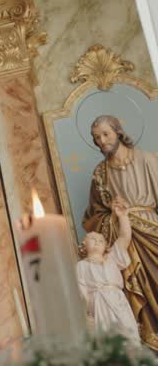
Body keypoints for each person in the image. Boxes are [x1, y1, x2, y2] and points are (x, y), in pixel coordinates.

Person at [82, 114, 158, 349]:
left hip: (152, 230)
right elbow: (94, 218)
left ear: (118, 132)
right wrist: (116, 217)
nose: (102, 141)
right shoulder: (100, 175)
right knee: (143, 293)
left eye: (106, 134)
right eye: (96, 138)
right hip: (127, 244)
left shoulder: (147, 160)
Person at [78, 200, 143, 345]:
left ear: (106, 246)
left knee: (128, 334)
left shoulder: (112, 258)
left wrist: (123, 217)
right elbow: (81, 291)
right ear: (83, 246)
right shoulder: (81, 266)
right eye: (92, 238)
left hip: (118, 300)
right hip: (99, 303)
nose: (97, 240)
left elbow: (124, 237)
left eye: (101, 239)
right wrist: (87, 314)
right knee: (108, 338)